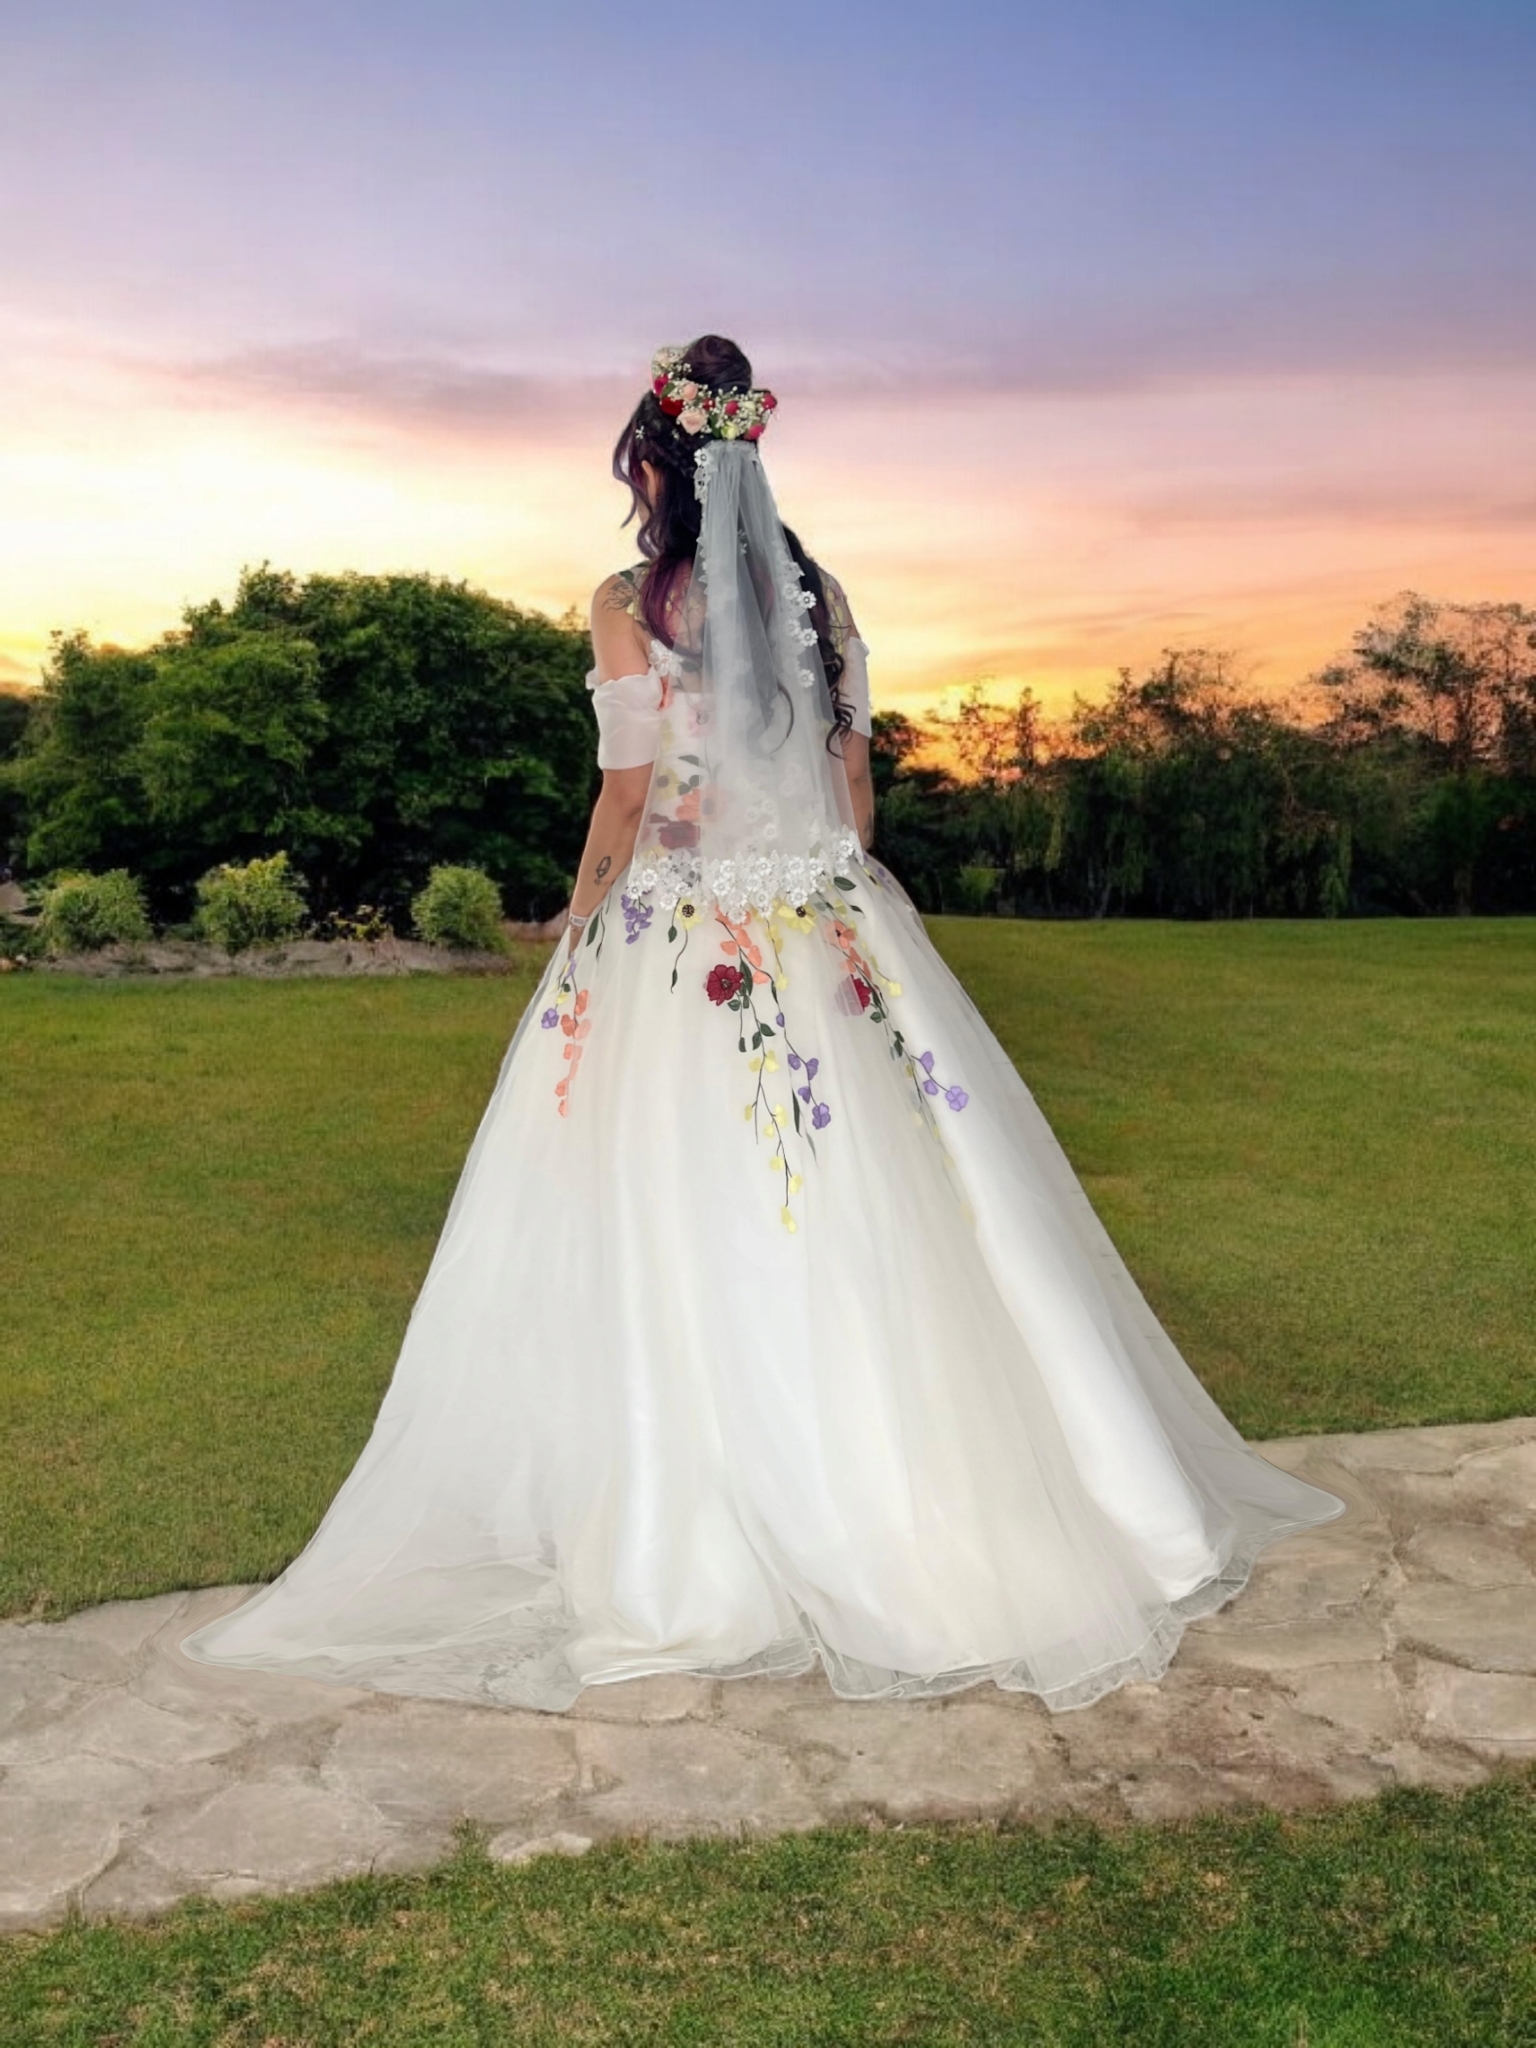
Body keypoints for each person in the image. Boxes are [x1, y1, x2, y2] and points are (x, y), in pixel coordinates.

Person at [181, 335, 1344, 1712]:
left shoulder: (629, 598)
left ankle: (708, 1533)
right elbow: (853, 780)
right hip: (819, 925)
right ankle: (955, 1499)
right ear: (749, 455)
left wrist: (577, 915)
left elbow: (626, 794)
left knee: (683, 1210)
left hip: (683, 938)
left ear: (654, 464)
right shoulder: (819, 590)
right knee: (881, 1204)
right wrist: (832, 882)